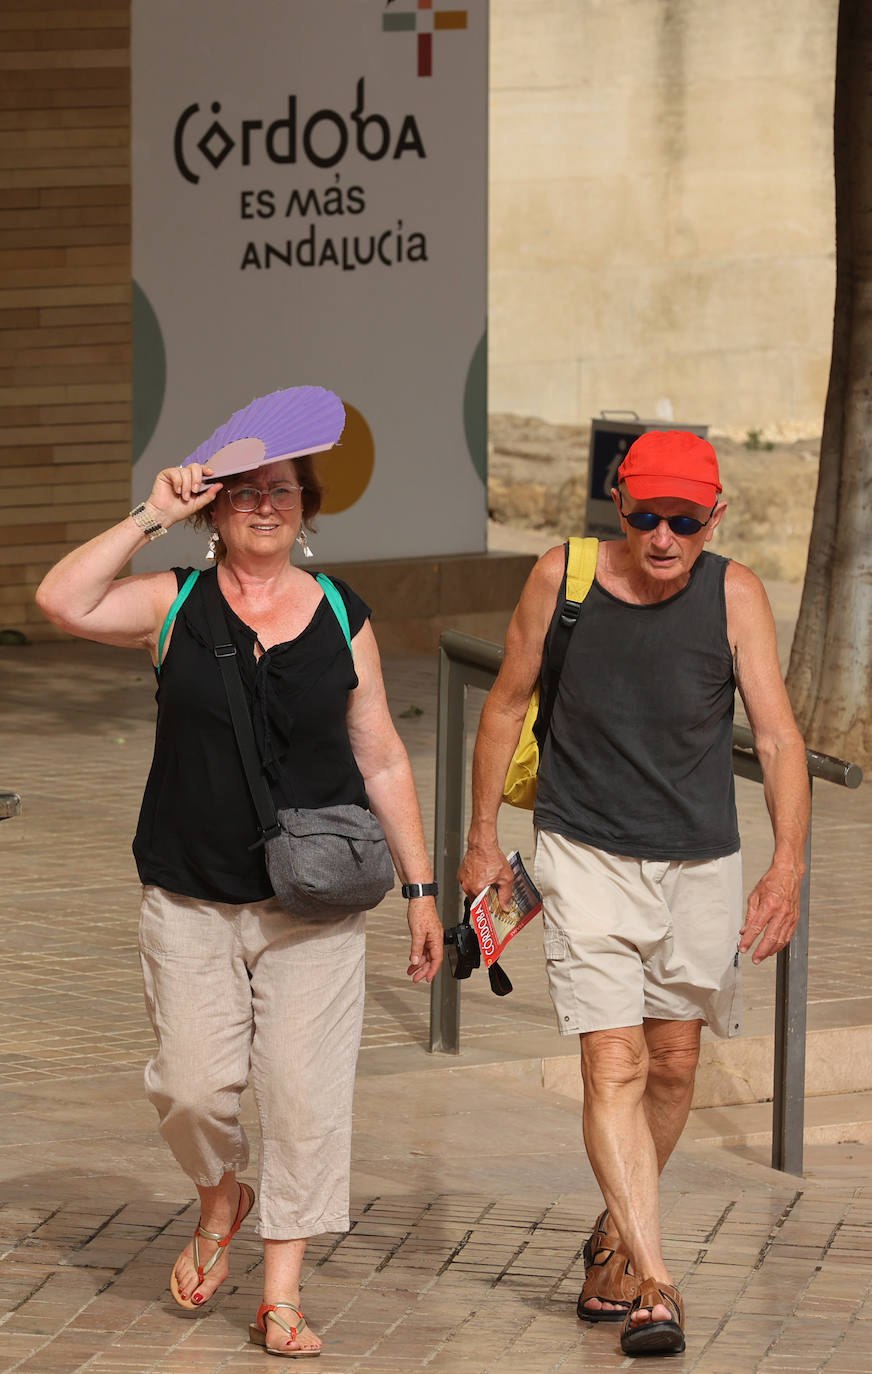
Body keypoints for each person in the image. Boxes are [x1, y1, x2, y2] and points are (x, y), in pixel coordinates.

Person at [36, 448, 443, 1359]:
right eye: (246, 495)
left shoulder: (342, 614)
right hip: (189, 892)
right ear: (213, 514)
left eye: (283, 494)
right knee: (189, 1087)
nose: (266, 507)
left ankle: (281, 1292)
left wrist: (420, 888)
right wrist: (149, 513)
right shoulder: (172, 603)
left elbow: (381, 758)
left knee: (303, 1099)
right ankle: (222, 1194)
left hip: (317, 903)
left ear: (307, 512)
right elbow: (60, 601)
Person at [458, 430, 809, 1357]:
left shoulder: (735, 596)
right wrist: (483, 840)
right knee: (611, 1063)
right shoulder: (560, 578)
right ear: (619, 505)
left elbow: (776, 739)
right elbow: (503, 702)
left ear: (715, 518)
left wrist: (788, 867)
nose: (663, 538)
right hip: (584, 854)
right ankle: (657, 1281)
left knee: (674, 1066)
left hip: (699, 863)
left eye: (683, 521)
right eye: (647, 516)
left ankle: (615, 1232)